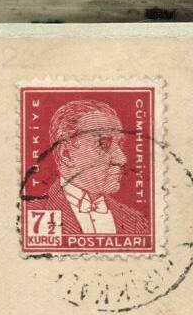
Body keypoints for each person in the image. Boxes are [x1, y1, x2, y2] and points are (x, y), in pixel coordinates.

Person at [27, 98, 148, 237]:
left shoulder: (136, 222)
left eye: (119, 144)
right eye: (103, 145)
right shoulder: (30, 215)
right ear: (66, 154)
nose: (122, 159)